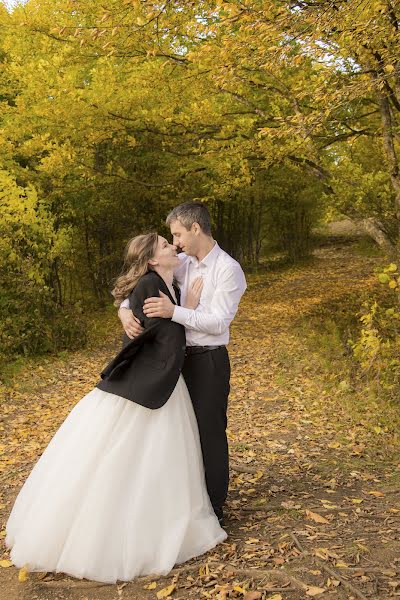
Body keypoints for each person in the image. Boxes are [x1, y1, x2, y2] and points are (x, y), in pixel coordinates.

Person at [6, 233, 226, 584]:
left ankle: (157, 515)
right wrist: (129, 313)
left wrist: (188, 306)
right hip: (145, 384)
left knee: (159, 460)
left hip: (164, 382)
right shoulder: (152, 284)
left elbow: (165, 320)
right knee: (124, 454)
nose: (173, 245)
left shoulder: (170, 277)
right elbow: (141, 318)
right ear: (154, 259)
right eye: (166, 245)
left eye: (174, 240)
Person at [119, 202, 247, 526]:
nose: (174, 242)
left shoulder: (227, 270)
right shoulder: (183, 263)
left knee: (209, 435)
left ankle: (215, 512)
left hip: (208, 362)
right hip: (176, 364)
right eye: (171, 237)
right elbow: (146, 277)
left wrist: (174, 311)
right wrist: (123, 309)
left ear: (195, 228)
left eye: (177, 234)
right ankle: (185, 506)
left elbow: (218, 322)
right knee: (179, 436)